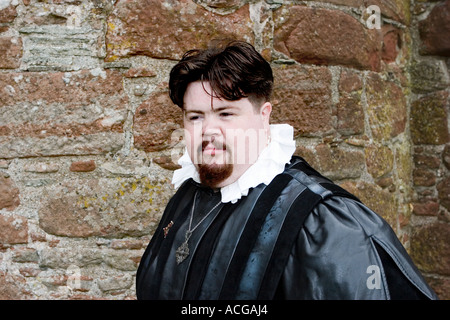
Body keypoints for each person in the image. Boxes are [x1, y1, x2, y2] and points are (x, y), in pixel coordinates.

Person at [136, 40, 438, 300]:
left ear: (263, 116)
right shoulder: (189, 193)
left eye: (226, 114)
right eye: (195, 117)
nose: (208, 131)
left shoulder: (323, 220)